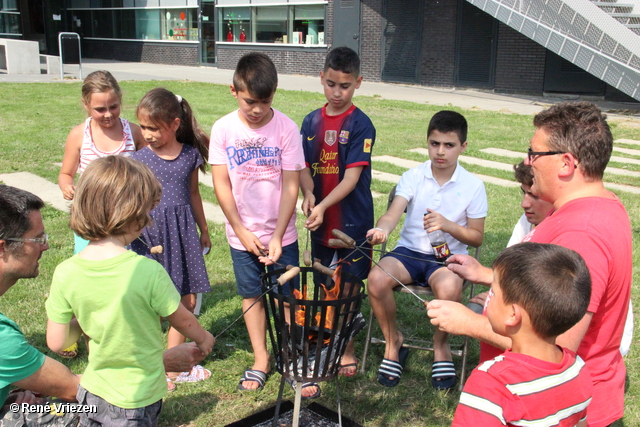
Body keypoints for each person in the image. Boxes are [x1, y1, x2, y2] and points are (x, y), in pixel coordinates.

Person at [428, 102, 632, 427]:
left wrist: (470, 323)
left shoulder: (581, 233)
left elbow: (556, 344)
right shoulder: (596, 208)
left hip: (555, 409)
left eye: (534, 153)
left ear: (566, 163)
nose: (527, 161)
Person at [45, 156, 215, 426]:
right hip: (135, 398)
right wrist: (204, 338)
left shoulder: (66, 271)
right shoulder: (146, 271)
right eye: (148, 211)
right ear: (133, 214)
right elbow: (182, 318)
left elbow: (56, 342)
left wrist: (87, 319)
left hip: (91, 390)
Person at [366, 110, 487, 389]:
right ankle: (392, 341)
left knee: (449, 289)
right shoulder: (413, 176)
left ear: (463, 147)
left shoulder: (473, 185)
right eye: (435, 143)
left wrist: (448, 225)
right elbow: (393, 212)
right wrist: (382, 229)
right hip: (409, 252)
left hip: (447, 258)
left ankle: (440, 344)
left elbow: (476, 238)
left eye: (449, 145)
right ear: (427, 142)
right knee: (376, 278)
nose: (440, 152)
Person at [209, 53, 306, 396]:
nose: (257, 109)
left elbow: (291, 185)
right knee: (251, 296)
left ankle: (292, 356)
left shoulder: (286, 128)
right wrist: (241, 230)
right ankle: (262, 357)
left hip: (283, 234)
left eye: (265, 102)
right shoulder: (223, 129)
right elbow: (221, 184)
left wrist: (278, 234)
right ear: (233, 91)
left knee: (287, 298)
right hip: (242, 235)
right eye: (250, 101)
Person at [452, 243, 593, 426]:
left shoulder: (492, 382)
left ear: (512, 315)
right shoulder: (577, 368)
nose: (488, 297)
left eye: (493, 292)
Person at [300, 46, 376, 378]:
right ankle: (322, 337)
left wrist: (322, 204)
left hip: (352, 222)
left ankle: (346, 348)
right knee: (322, 283)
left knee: (348, 287)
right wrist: (308, 193)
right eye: (331, 84)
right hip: (320, 220)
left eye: (344, 86)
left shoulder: (361, 124)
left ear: (358, 83)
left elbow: (351, 177)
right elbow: (303, 165)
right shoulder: (310, 121)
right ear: (321, 78)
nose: (336, 92)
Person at [130, 88, 212, 391]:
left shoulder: (189, 155)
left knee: (186, 300)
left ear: (175, 124)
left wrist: (203, 228)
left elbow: (193, 194)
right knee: (151, 303)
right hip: (149, 236)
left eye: (154, 127)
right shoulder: (137, 159)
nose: (147, 133)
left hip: (183, 235)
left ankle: (173, 370)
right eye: (144, 127)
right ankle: (153, 362)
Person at [58, 70, 145, 254]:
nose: (108, 114)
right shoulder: (78, 135)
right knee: (91, 262)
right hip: (91, 215)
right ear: (86, 104)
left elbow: (149, 171)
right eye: (100, 109)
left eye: (113, 107)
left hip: (127, 215)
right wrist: (67, 186)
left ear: (120, 99)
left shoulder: (134, 132)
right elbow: (66, 173)